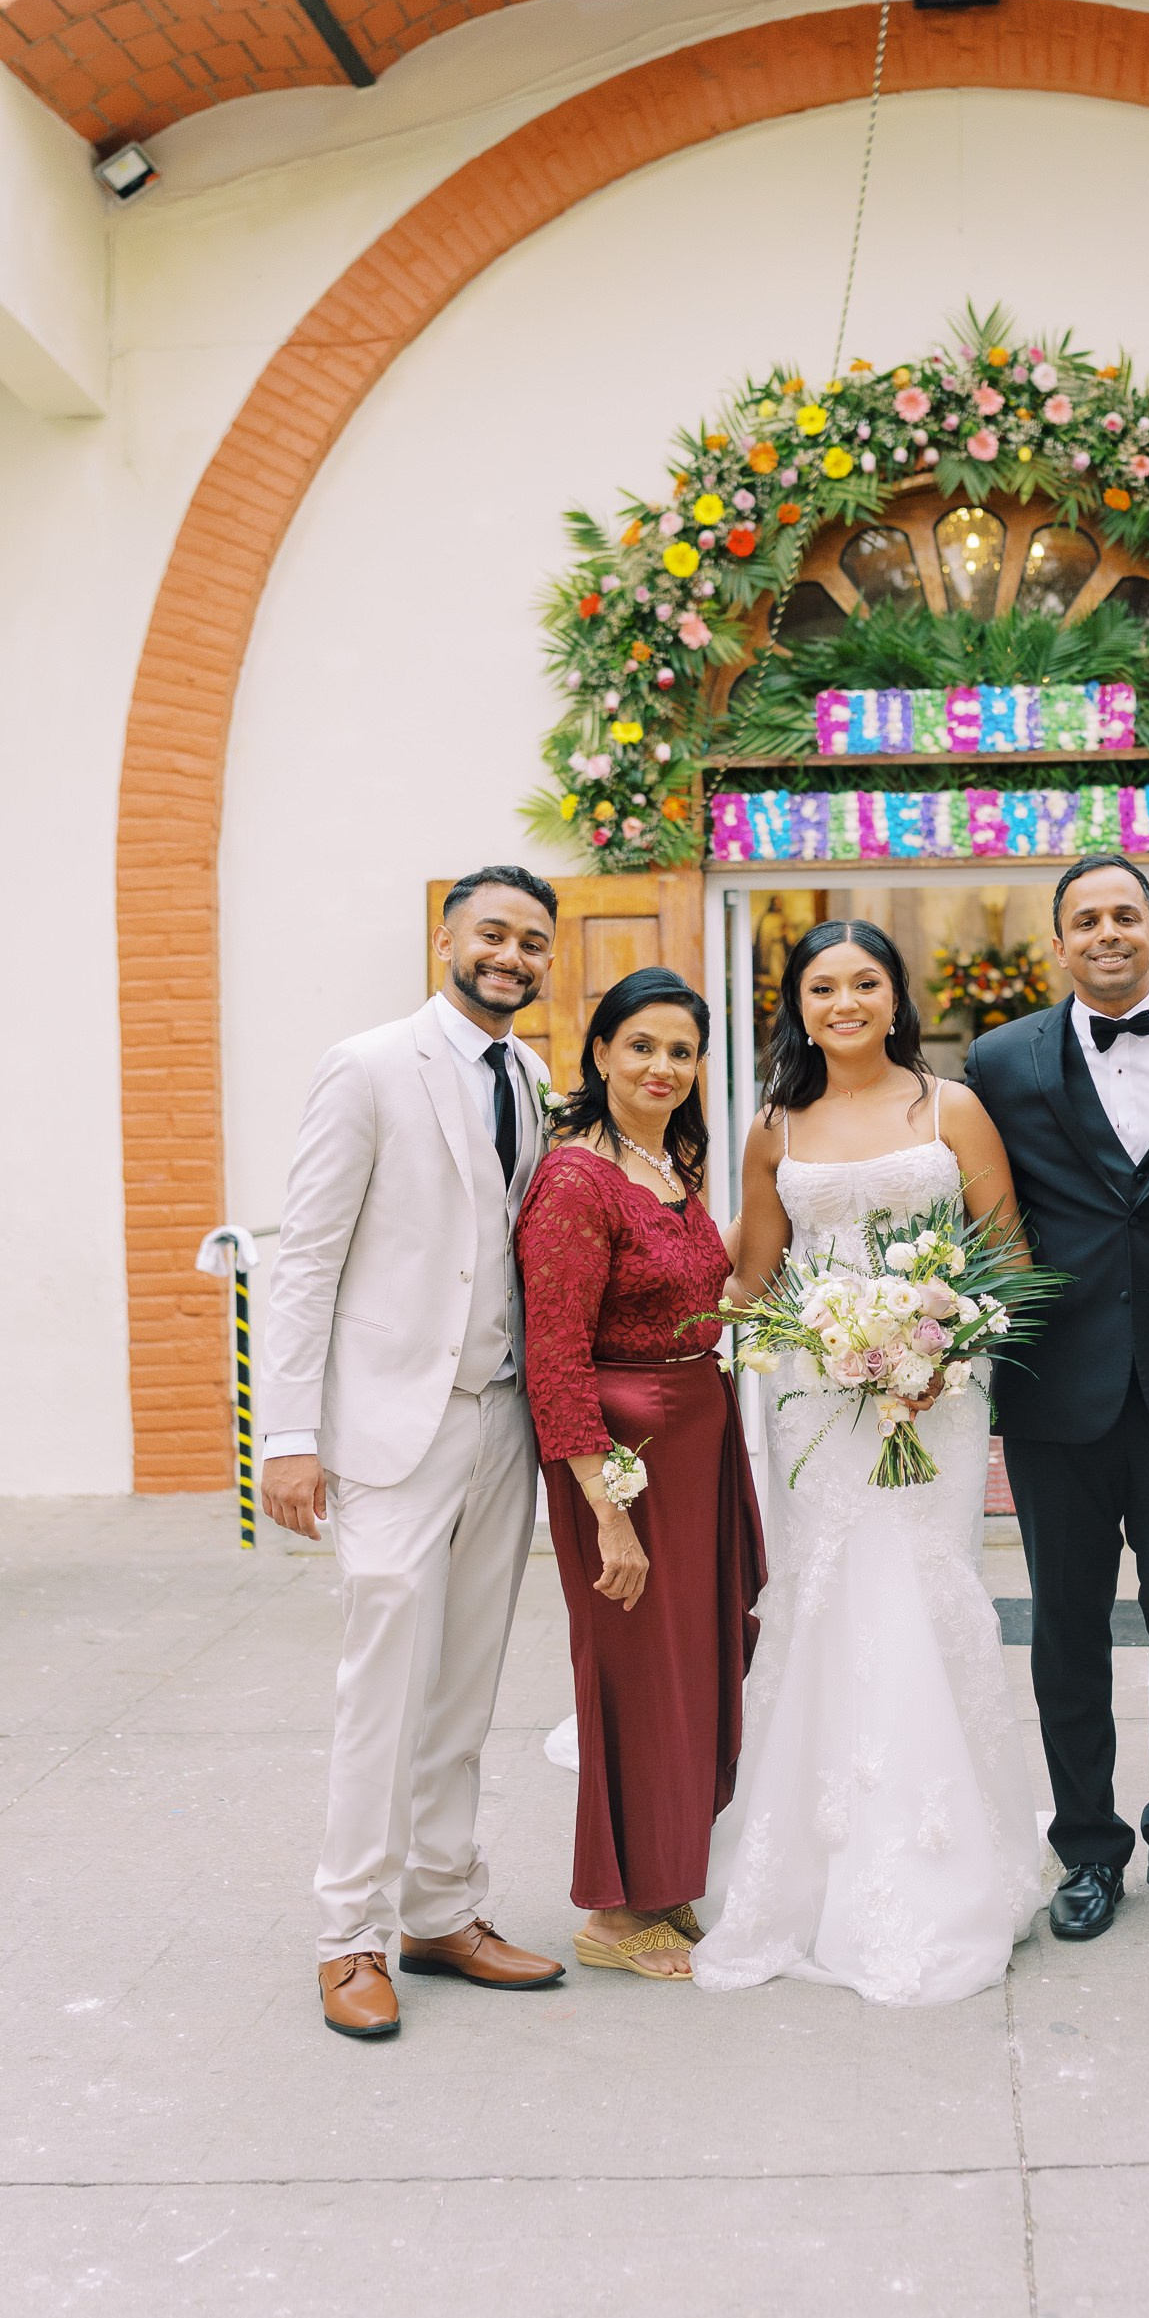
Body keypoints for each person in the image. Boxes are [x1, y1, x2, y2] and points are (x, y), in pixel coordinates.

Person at [693, 921, 1043, 2005]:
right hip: (815, 1402)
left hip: (935, 1394)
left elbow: (1007, 1258)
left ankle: (951, 1856)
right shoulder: (772, 1125)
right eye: (821, 986)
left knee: (924, 1592)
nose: (842, 1001)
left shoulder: (948, 1110)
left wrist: (941, 1346)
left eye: (864, 983)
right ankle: (813, 1862)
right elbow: (753, 1274)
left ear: (896, 1000)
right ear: (796, 1006)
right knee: (832, 1596)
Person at [261, 866, 567, 2039]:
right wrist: (289, 1438)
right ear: (448, 937)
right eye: (493, 933)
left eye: (532, 942)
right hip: (392, 1426)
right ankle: (350, 1935)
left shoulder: (532, 1076)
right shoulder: (370, 1063)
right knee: (382, 1683)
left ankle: (443, 1910)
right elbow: (306, 1259)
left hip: (501, 1419)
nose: (512, 956)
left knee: (464, 1685)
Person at [961, 856, 1149, 1943]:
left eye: (1124, 916)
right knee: (1066, 1633)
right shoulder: (997, 1061)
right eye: (1084, 919)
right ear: (1057, 942)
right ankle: (1086, 1851)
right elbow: (976, 1217)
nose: (1106, 933)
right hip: (1058, 1392)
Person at [516, 968, 764, 1982]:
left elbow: (711, 1288)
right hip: (623, 1457)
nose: (662, 1066)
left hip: (699, 1435)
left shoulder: (674, 1163)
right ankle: (614, 1914)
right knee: (631, 1676)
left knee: (694, 1668)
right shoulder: (577, 1181)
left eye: (680, 1051)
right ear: (602, 1054)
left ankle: (666, 1886)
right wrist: (606, 1514)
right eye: (642, 1047)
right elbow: (555, 1357)